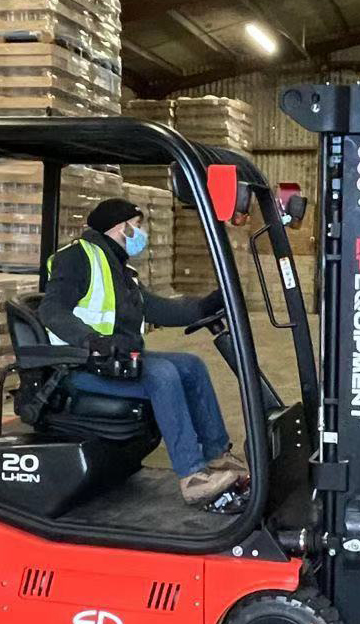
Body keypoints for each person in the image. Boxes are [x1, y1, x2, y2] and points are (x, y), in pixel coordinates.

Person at [38, 197, 248, 507]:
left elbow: (159, 309)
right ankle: (192, 477)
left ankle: (217, 455)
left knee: (191, 365)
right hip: (80, 366)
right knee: (162, 375)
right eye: (137, 226)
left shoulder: (121, 270)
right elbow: (52, 310)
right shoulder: (77, 258)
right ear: (120, 227)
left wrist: (209, 303)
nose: (141, 234)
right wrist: (93, 340)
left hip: (115, 361)